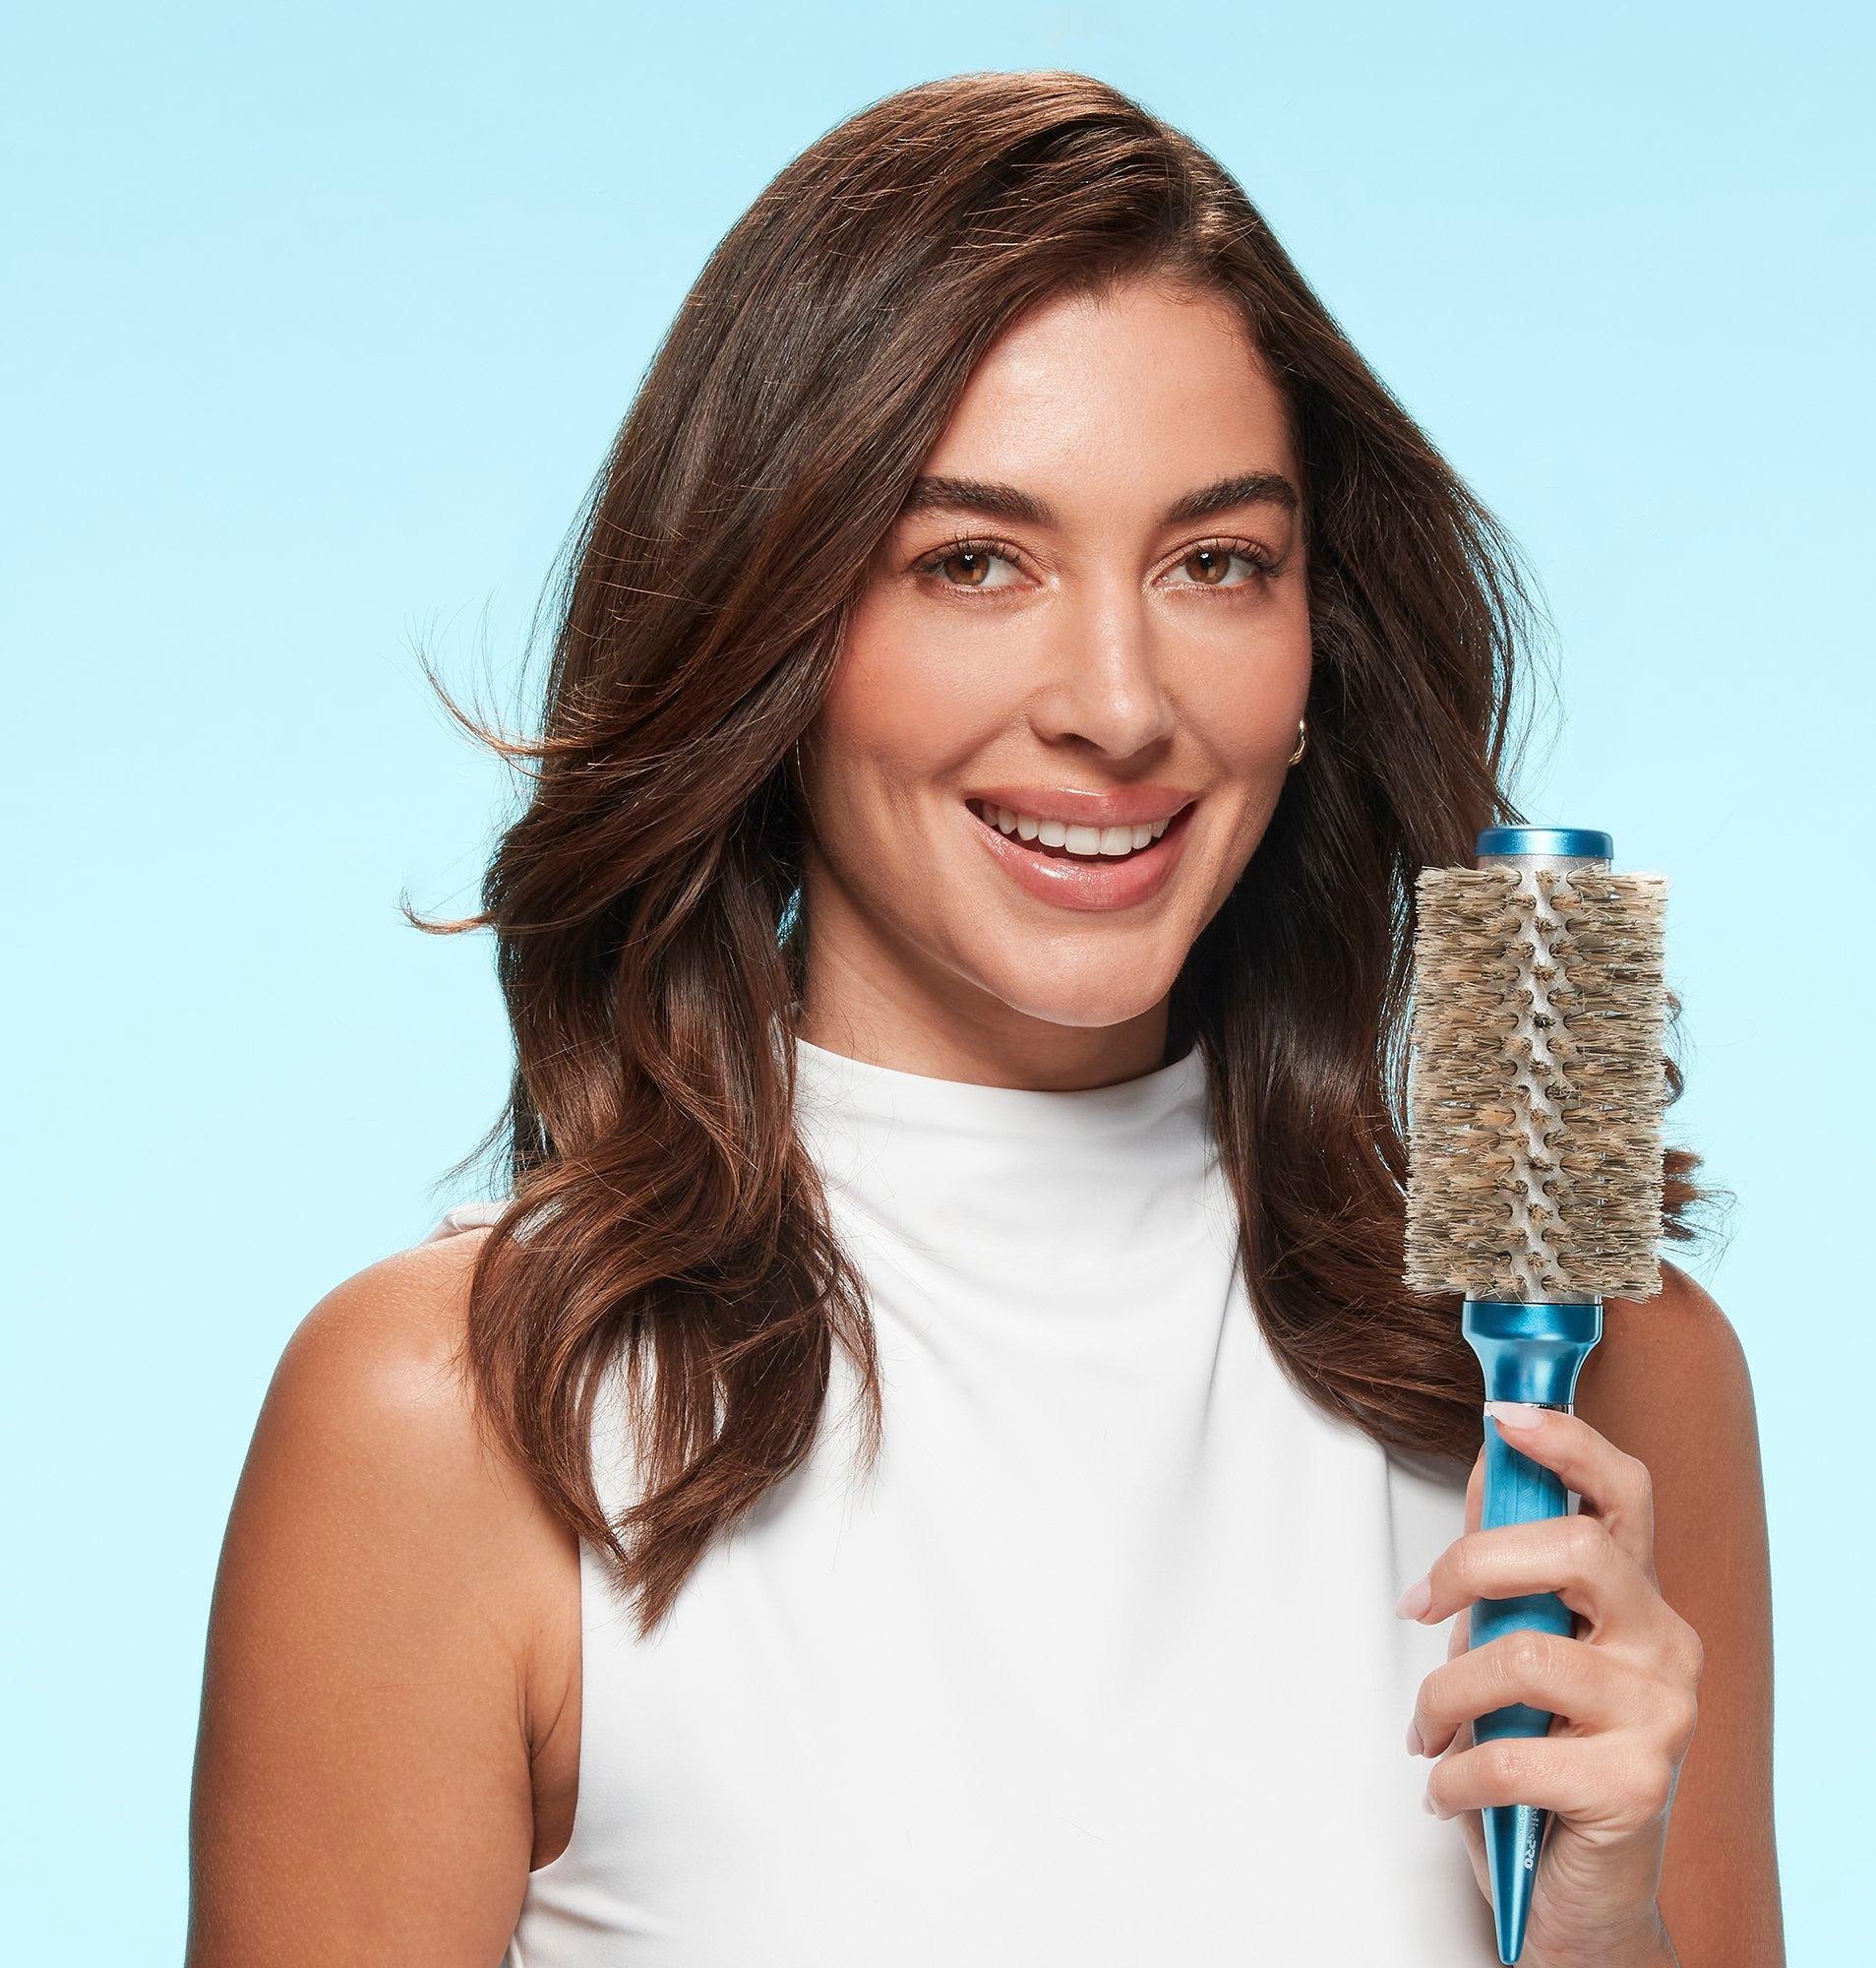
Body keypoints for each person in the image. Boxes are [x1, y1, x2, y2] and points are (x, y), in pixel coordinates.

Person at [186, 70, 1782, 1968]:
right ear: (776, 628)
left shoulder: (1599, 1385)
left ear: (1314, 646)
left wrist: (1601, 1936)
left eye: (1216, 563)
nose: (1117, 703)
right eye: (972, 563)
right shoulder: (455, 1422)